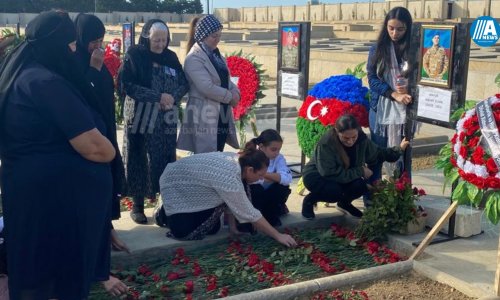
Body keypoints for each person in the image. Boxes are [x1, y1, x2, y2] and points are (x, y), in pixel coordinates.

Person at [0, 11, 116, 299]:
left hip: (31, 196)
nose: (74, 51)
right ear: (57, 46)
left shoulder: (20, 73)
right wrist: (111, 150)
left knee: (35, 273)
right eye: (71, 45)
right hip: (54, 205)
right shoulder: (44, 83)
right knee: (54, 277)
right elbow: (94, 147)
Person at [73, 13, 129, 297]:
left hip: (106, 132)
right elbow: (81, 97)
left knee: (109, 183)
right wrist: (94, 70)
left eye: (101, 40)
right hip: (89, 139)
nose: (97, 45)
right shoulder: (75, 63)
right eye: (93, 40)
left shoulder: (96, 60)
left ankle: (108, 229)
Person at [120, 19, 189, 224]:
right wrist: (156, 97)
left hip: (165, 117)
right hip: (140, 115)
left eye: (164, 40)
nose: (160, 44)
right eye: (156, 40)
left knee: (165, 158)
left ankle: (164, 203)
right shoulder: (135, 55)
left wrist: (171, 97)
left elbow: (184, 83)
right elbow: (127, 85)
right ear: (147, 37)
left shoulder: (170, 57)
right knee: (140, 158)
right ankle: (138, 206)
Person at [159, 150, 297, 248]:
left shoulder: (239, 165)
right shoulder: (230, 175)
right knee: (184, 233)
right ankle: (164, 213)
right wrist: (278, 236)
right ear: (250, 170)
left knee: (212, 229)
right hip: (174, 183)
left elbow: (232, 202)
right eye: (260, 175)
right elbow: (248, 211)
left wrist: (233, 228)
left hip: (193, 188)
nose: (261, 179)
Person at [301, 114, 410, 220]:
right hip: (317, 177)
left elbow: (378, 153)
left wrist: (399, 149)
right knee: (334, 192)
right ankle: (310, 200)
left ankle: (344, 203)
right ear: (337, 132)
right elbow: (329, 173)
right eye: (345, 138)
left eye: (354, 137)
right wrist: (360, 171)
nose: (350, 141)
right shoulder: (326, 144)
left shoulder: (362, 140)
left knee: (360, 186)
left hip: (343, 175)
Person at [366, 7, 413, 196]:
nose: (395, 33)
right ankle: (372, 200)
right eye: (391, 28)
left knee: (403, 154)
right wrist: (393, 94)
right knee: (376, 155)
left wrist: (408, 90)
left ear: (408, 28)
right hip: (381, 109)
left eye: (400, 29)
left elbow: (424, 77)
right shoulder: (377, 49)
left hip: (406, 110)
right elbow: (372, 78)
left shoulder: (413, 49)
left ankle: (403, 198)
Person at [177, 15, 241, 154]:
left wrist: (236, 92)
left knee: (218, 151)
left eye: (219, 35)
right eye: (214, 36)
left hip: (221, 112)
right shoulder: (194, 58)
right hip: (204, 114)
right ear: (203, 35)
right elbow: (207, 87)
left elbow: (226, 79)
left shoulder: (216, 55)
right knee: (205, 156)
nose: (217, 39)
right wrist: (230, 97)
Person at [245, 129, 292, 227]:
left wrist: (261, 174)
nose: (277, 153)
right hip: (254, 196)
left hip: (269, 195)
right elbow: (249, 181)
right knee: (257, 189)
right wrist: (274, 177)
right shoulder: (252, 157)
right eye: (273, 149)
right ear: (262, 147)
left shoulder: (279, 158)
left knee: (282, 188)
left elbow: (287, 178)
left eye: (279, 149)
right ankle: (254, 218)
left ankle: (270, 215)